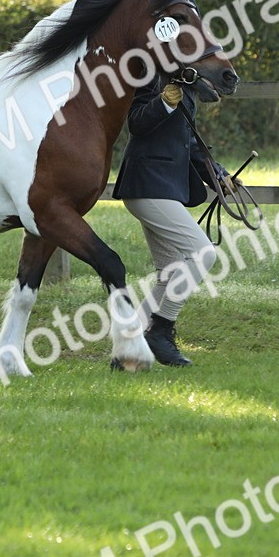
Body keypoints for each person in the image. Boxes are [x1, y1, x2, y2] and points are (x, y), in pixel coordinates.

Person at [112, 76, 231, 366]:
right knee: (203, 254)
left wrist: (218, 175)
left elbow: (188, 142)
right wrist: (162, 102)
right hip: (148, 182)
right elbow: (136, 123)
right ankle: (160, 331)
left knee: (170, 271)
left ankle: (128, 349)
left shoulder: (186, 86)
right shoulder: (151, 77)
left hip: (161, 187)